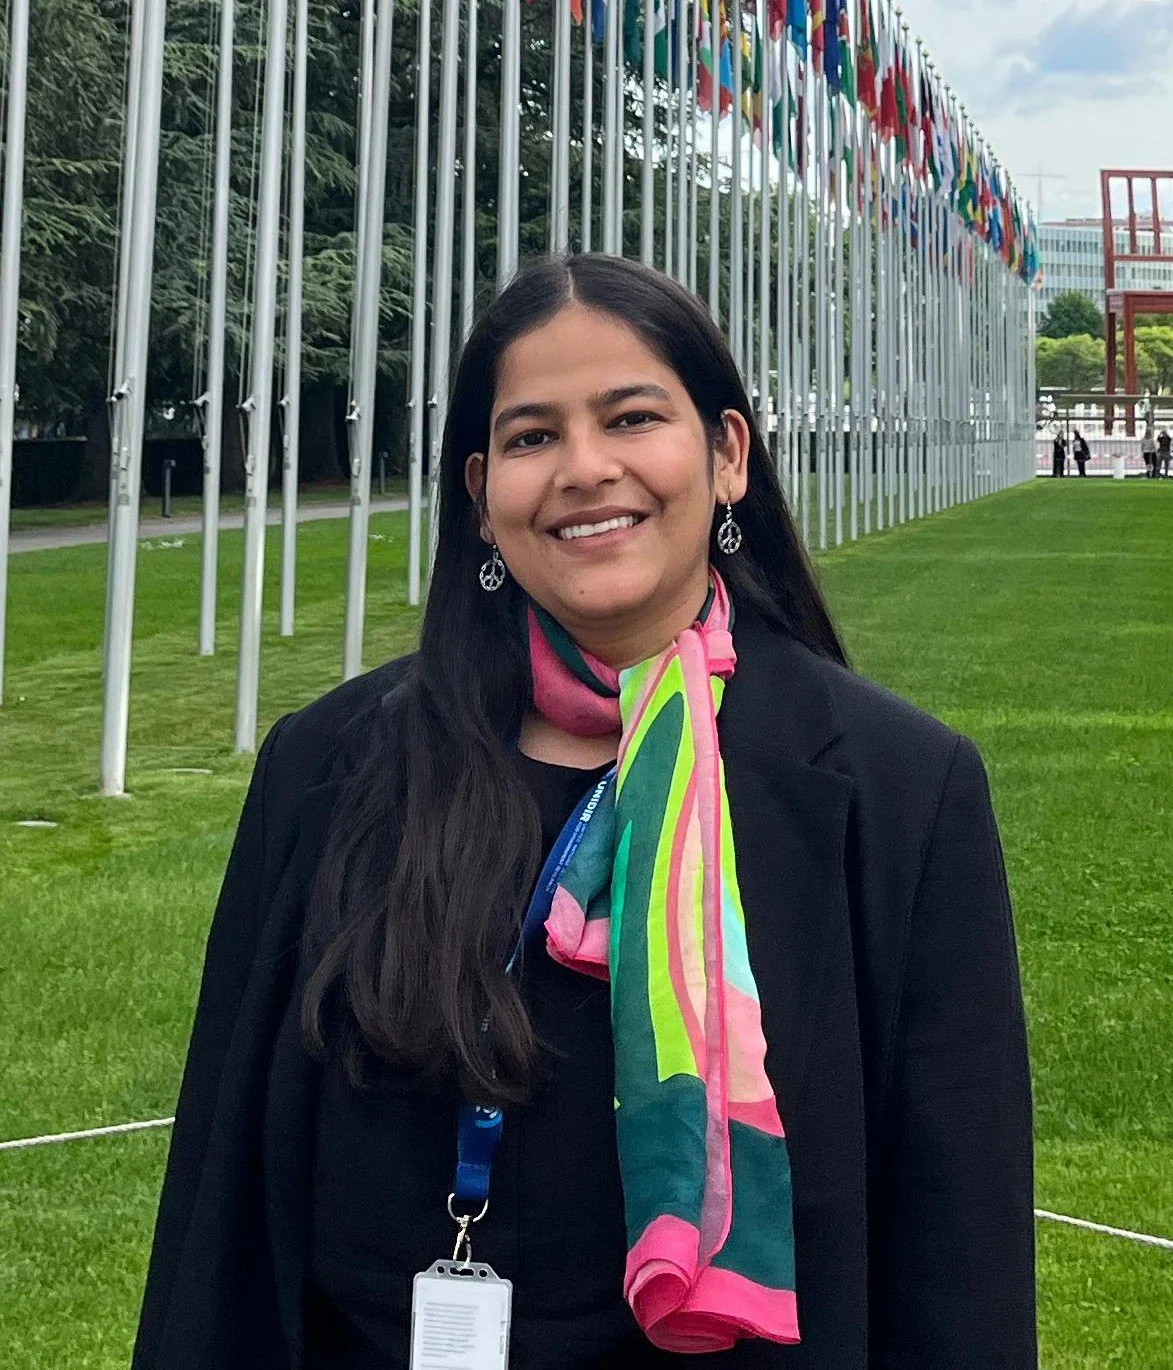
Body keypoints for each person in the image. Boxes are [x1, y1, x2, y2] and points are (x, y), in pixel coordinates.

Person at [133, 256, 1036, 1370]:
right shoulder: (329, 767)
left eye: (631, 417)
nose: (584, 468)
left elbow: (959, 1247)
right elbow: (224, 1190)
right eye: (530, 436)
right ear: (480, 491)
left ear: (726, 455)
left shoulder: (896, 790)